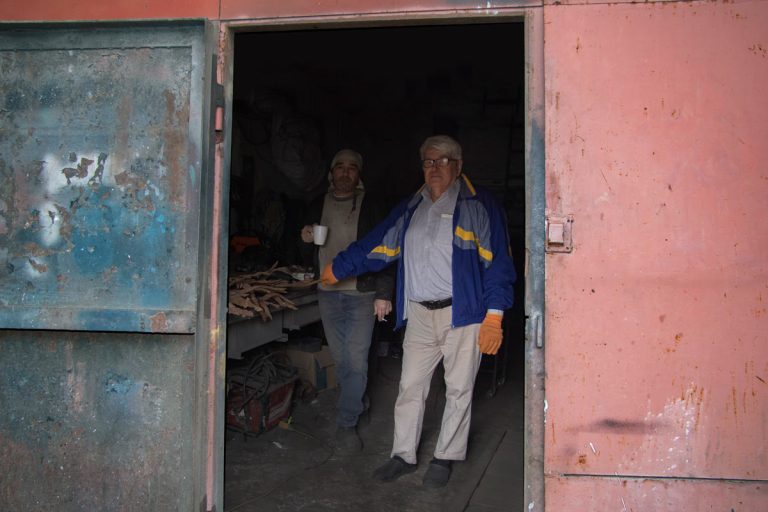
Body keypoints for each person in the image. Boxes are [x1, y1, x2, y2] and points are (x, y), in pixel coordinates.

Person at [320, 135, 516, 488]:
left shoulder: (479, 205)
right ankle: (403, 455)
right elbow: (379, 242)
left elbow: (499, 264)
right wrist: (341, 264)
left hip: (465, 314)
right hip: (421, 314)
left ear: (458, 165)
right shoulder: (414, 205)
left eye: (442, 161)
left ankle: (444, 457)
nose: (434, 168)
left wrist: (495, 315)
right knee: (409, 386)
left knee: (458, 389)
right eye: (428, 162)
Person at [300, 148, 394, 452]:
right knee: (342, 361)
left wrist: (383, 293)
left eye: (351, 168)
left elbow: (386, 251)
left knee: (355, 359)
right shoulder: (317, 204)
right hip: (327, 294)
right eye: (339, 167)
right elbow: (306, 254)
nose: (345, 172)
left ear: (358, 174)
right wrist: (301, 239)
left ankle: (347, 424)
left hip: (361, 294)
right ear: (331, 173)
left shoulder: (371, 206)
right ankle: (359, 400)